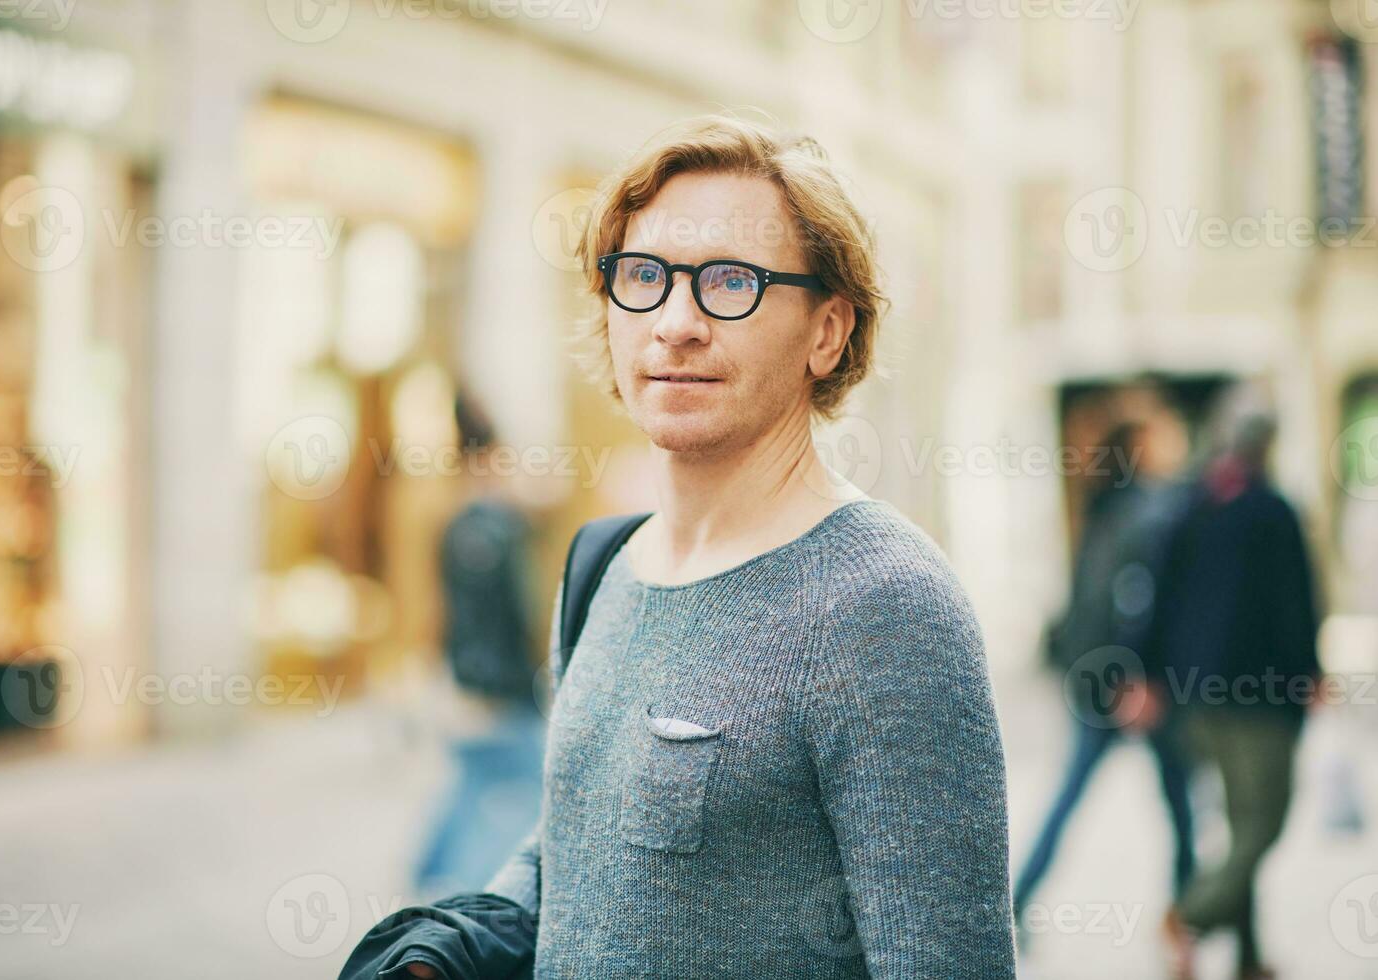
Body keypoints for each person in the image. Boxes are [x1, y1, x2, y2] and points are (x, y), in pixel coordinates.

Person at [395, 113, 1015, 978]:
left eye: (730, 282)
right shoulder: (604, 566)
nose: (676, 322)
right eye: (643, 276)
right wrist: (445, 955)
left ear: (827, 332)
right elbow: (575, 850)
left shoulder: (885, 605)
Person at [1150, 408, 1323, 980]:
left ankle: (1246, 957)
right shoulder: (1274, 511)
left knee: (1239, 822)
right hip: (1261, 697)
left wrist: (1159, 675)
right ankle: (1189, 914)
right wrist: (1311, 672)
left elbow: (1162, 596)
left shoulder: (1194, 507)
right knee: (1262, 824)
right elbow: (1297, 602)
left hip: (1200, 695)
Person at [1014, 418, 1195, 927]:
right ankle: (1186, 917)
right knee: (1178, 804)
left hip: (1098, 680)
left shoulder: (1105, 511)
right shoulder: (1148, 512)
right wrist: (1132, 680)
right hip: (1130, 684)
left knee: (1076, 795)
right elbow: (1132, 600)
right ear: (1141, 453)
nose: (1173, 446)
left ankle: (1021, 898)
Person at [409, 392, 547, 900]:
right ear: (493, 457)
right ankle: (471, 894)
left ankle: (430, 879)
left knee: (470, 783)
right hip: (505, 688)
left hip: (464, 684)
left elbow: (442, 611)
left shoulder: (450, 526)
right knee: (534, 792)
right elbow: (522, 614)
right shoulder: (503, 527)